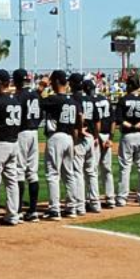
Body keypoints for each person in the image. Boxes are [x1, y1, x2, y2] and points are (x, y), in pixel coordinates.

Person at [42, 70, 82, 219]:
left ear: (57, 81)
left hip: (56, 137)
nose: (51, 83)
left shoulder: (54, 99)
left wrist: (41, 86)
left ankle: (54, 209)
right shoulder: (73, 101)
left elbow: (35, 102)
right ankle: (72, 207)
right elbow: (80, 121)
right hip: (69, 137)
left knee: (53, 174)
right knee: (69, 174)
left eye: (52, 81)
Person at [0, 69, 22, 227]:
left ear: (0, 82)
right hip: (14, 142)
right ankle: (12, 215)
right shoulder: (16, 101)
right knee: (11, 180)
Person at [12, 69, 43, 221]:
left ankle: (17, 210)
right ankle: (33, 210)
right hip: (34, 133)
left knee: (19, 171)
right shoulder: (35, 95)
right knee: (32, 172)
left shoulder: (19, 96)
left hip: (22, 133)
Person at [116, 76, 140, 206]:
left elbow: (119, 120)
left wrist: (130, 125)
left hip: (128, 135)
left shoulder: (123, 100)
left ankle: (122, 198)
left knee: (125, 168)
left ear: (129, 85)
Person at [70, 73, 99, 213]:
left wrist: (79, 131)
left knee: (78, 173)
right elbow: (97, 121)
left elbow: (79, 117)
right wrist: (95, 137)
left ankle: (80, 206)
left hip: (80, 138)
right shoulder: (90, 99)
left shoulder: (73, 98)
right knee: (91, 172)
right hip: (91, 137)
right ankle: (95, 203)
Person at [88, 79, 118, 208]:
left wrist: (97, 137)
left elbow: (95, 122)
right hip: (106, 135)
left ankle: (93, 200)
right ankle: (110, 198)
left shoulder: (90, 101)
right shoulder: (105, 99)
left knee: (93, 169)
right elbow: (113, 121)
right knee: (107, 169)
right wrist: (110, 138)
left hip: (96, 135)